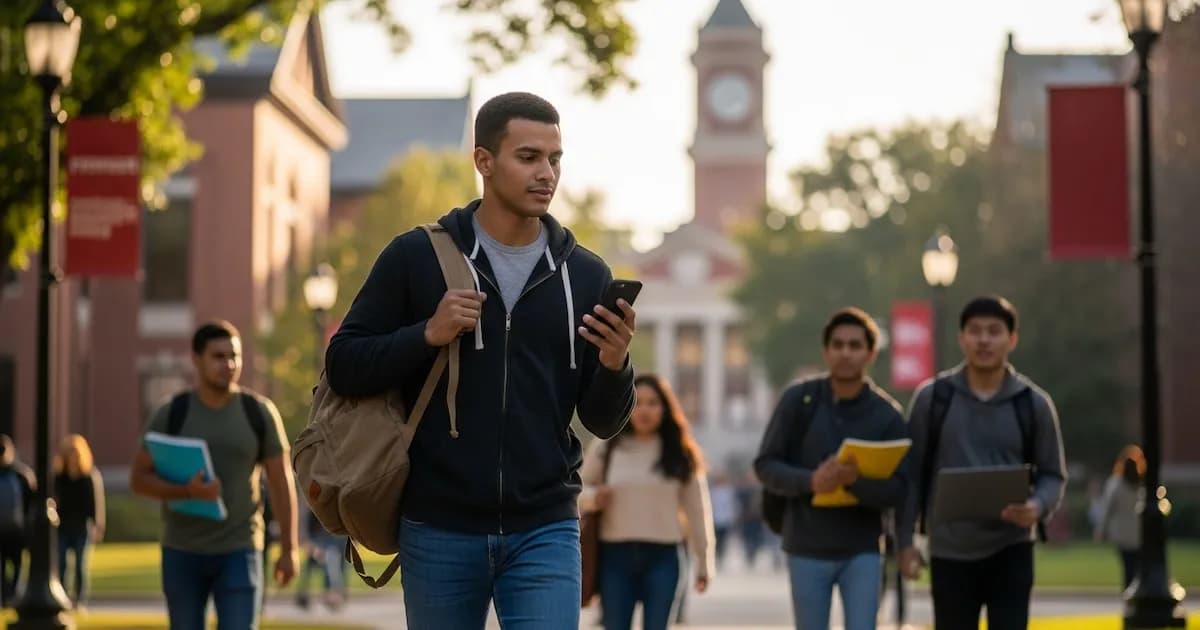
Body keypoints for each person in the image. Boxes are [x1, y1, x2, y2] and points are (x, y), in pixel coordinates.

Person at [324, 91, 637, 630]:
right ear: (484, 161)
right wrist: (427, 334)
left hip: (545, 525)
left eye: (555, 159)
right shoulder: (416, 257)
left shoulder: (585, 276)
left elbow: (602, 421)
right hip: (438, 525)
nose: (546, 173)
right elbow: (344, 364)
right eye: (528, 157)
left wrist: (614, 365)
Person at [898, 296, 1066, 630]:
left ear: (1011, 339)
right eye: (975, 331)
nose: (984, 340)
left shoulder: (1033, 404)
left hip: (1012, 548)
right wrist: (904, 543)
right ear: (962, 339)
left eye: (994, 331)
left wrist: (1037, 506)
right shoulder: (933, 399)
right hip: (949, 552)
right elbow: (910, 478)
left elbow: (1053, 475)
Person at [130, 320, 299, 630]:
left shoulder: (259, 412)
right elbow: (138, 480)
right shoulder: (172, 413)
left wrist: (289, 549)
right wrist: (187, 491)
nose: (229, 364)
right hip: (182, 550)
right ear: (196, 359)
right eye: (218, 356)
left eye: (234, 356)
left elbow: (281, 481)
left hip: (240, 548)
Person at [754, 307, 910, 630]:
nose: (845, 353)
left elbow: (900, 489)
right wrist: (811, 480)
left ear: (871, 354)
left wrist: (855, 481)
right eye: (837, 345)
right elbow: (766, 465)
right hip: (806, 547)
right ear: (826, 351)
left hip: (863, 549)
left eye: (855, 345)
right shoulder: (799, 400)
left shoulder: (887, 416)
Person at [580, 374, 714, 630]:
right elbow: (577, 490)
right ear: (626, 406)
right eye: (638, 402)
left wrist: (704, 564)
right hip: (615, 558)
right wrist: (594, 497)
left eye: (653, 403)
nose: (644, 411)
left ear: (665, 409)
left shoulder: (680, 453)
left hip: (664, 557)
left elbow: (698, 511)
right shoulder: (607, 447)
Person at [52, 433, 105, 608]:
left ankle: (80, 600)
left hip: (82, 527)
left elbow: (96, 504)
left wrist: (98, 526)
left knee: (81, 565)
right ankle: (62, 597)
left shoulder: (88, 477)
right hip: (63, 527)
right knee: (61, 563)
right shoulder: (59, 478)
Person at [1095, 444, 1145, 590]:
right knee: (1137, 567)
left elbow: (1107, 509)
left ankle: (1129, 593)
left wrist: (1101, 530)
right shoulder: (1142, 485)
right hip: (1139, 533)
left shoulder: (1116, 484)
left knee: (1128, 567)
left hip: (1122, 533)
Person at [0, 434, 34, 606]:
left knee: (17, 566)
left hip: (16, 532)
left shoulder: (21, 475)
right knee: (12, 568)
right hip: (12, 531)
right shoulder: (22, 474)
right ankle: (8, 597)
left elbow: (31, 503)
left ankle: (11, 597)